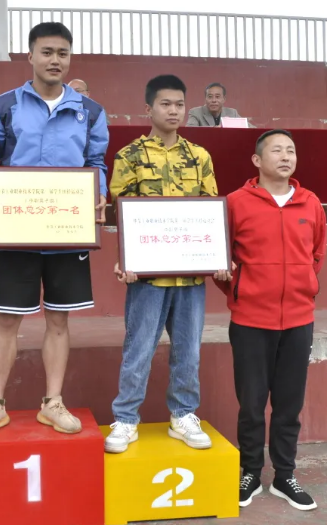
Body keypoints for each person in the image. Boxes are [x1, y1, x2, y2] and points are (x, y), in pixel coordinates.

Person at [0, 21, 109, 439]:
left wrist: (98, 193)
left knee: (59, 320)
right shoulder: (5, 105)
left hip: (66, 230)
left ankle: (53, 402)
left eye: (63, 53)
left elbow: (96, 163)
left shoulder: (90, 111)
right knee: (8, 319)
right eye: (47, 52)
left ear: (70, 58)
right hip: (16, 230)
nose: (55, 60)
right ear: (30, 56)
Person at [212, 129, 326, 511]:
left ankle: (284, 476)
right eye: (276, 150)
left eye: (291, 150)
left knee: (289, 403)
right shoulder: (235, 203)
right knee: (251, 403)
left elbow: (317, 254)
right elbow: (219, 256)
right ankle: (249, 471)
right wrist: (237, 290)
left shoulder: (311, 203)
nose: (286, 156)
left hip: (298, 319)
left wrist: (304, 286)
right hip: (250, 319)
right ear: (257, 160)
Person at [105, 74, 217, 454]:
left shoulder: (199, 156)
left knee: (189, 351)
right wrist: (126, 259)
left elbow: (209, 211)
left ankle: (183, 415)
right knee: (138, 349)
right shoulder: (130, 156)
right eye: (165, 104)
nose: (174, 111)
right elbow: (123, 213)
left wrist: (215, 257)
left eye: (180, 104)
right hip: (147, 276)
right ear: (149, 108)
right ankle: (126, 418)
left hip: (189, 276)